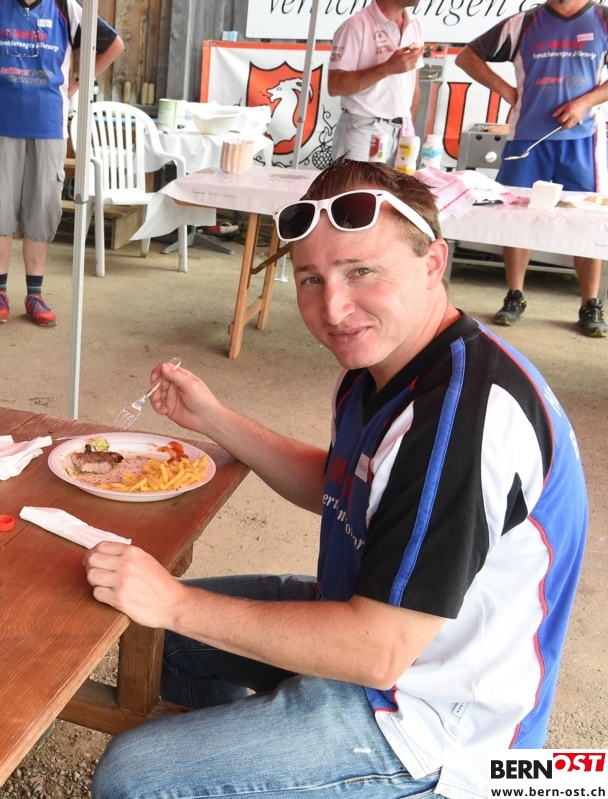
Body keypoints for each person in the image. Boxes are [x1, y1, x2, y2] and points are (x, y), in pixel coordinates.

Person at [85, 159, 588, 799]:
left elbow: (377, 651)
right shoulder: (386, 364)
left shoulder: (463, 419)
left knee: (135, 774)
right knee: (169, 641)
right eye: (311, 279)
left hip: (435, 721)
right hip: (375, 633)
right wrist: (211, 418)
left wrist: (174, 601)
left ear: (433, 262)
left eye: (362, 272)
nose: (334, 307)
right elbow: (343, 484)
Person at [0, 0, 124, 327]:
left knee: (41, 209)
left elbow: (114, 45)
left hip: (48, 126)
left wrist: (75, 83)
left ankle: (35, 295)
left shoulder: (67, 7)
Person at [456, 0, 608, 337]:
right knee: (516, 216)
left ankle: (591, 303)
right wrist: (506, 91)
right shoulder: (523, 22)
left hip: (581, 140)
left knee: (587, 218)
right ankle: (514, 295)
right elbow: (466, 57)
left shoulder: (603, 18)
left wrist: (585, 102)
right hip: (525, 138)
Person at [327, 0, 424, 164]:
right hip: (363, 129)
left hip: (402, 132)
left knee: (395, 183)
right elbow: (335, 85)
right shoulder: (355, 26)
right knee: (357, 182)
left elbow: (413, 84)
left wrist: (408, 126)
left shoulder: (415, 24)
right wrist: (387, 68)